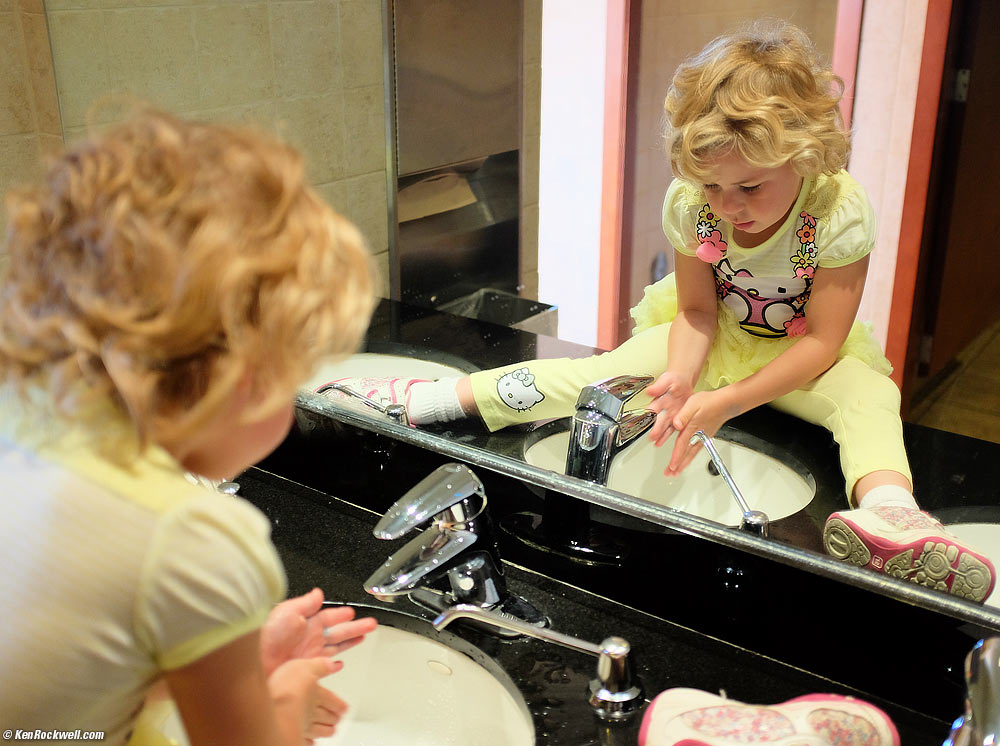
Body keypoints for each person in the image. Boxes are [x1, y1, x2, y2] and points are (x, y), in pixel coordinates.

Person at [322, 21, 996, 604]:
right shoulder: (693, 204)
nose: (728, 206)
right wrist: (679, 375)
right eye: (712, 186)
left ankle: (893, 517)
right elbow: (697, 314)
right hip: (714, 336)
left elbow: (822, 342)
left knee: (868, 397)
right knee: (600, 376)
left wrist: (729, 401)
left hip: (803, 354)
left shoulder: (836, 209)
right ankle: (421, 401)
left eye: (750, 187)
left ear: (805, 155)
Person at [0, 108, 378, 744]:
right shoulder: (192, 539)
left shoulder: (23, 426)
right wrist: (285, 697)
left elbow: (59, 699)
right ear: (245, 375)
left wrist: (222, 656)